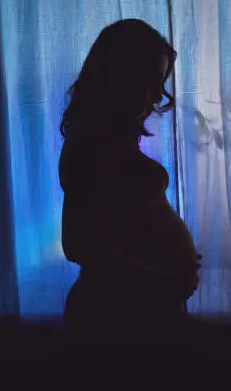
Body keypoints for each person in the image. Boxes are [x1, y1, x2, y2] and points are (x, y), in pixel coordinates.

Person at [58, 19, 200, 342]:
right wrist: (164, 278)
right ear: (118, 75)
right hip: (114, 319)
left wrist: (172, 259)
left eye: (159, 83)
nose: (155, 96)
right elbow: (79, 244)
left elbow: (125, 227)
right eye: (148, 80)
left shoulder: (111, 141)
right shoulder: (89, 143)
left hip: (139, 314)